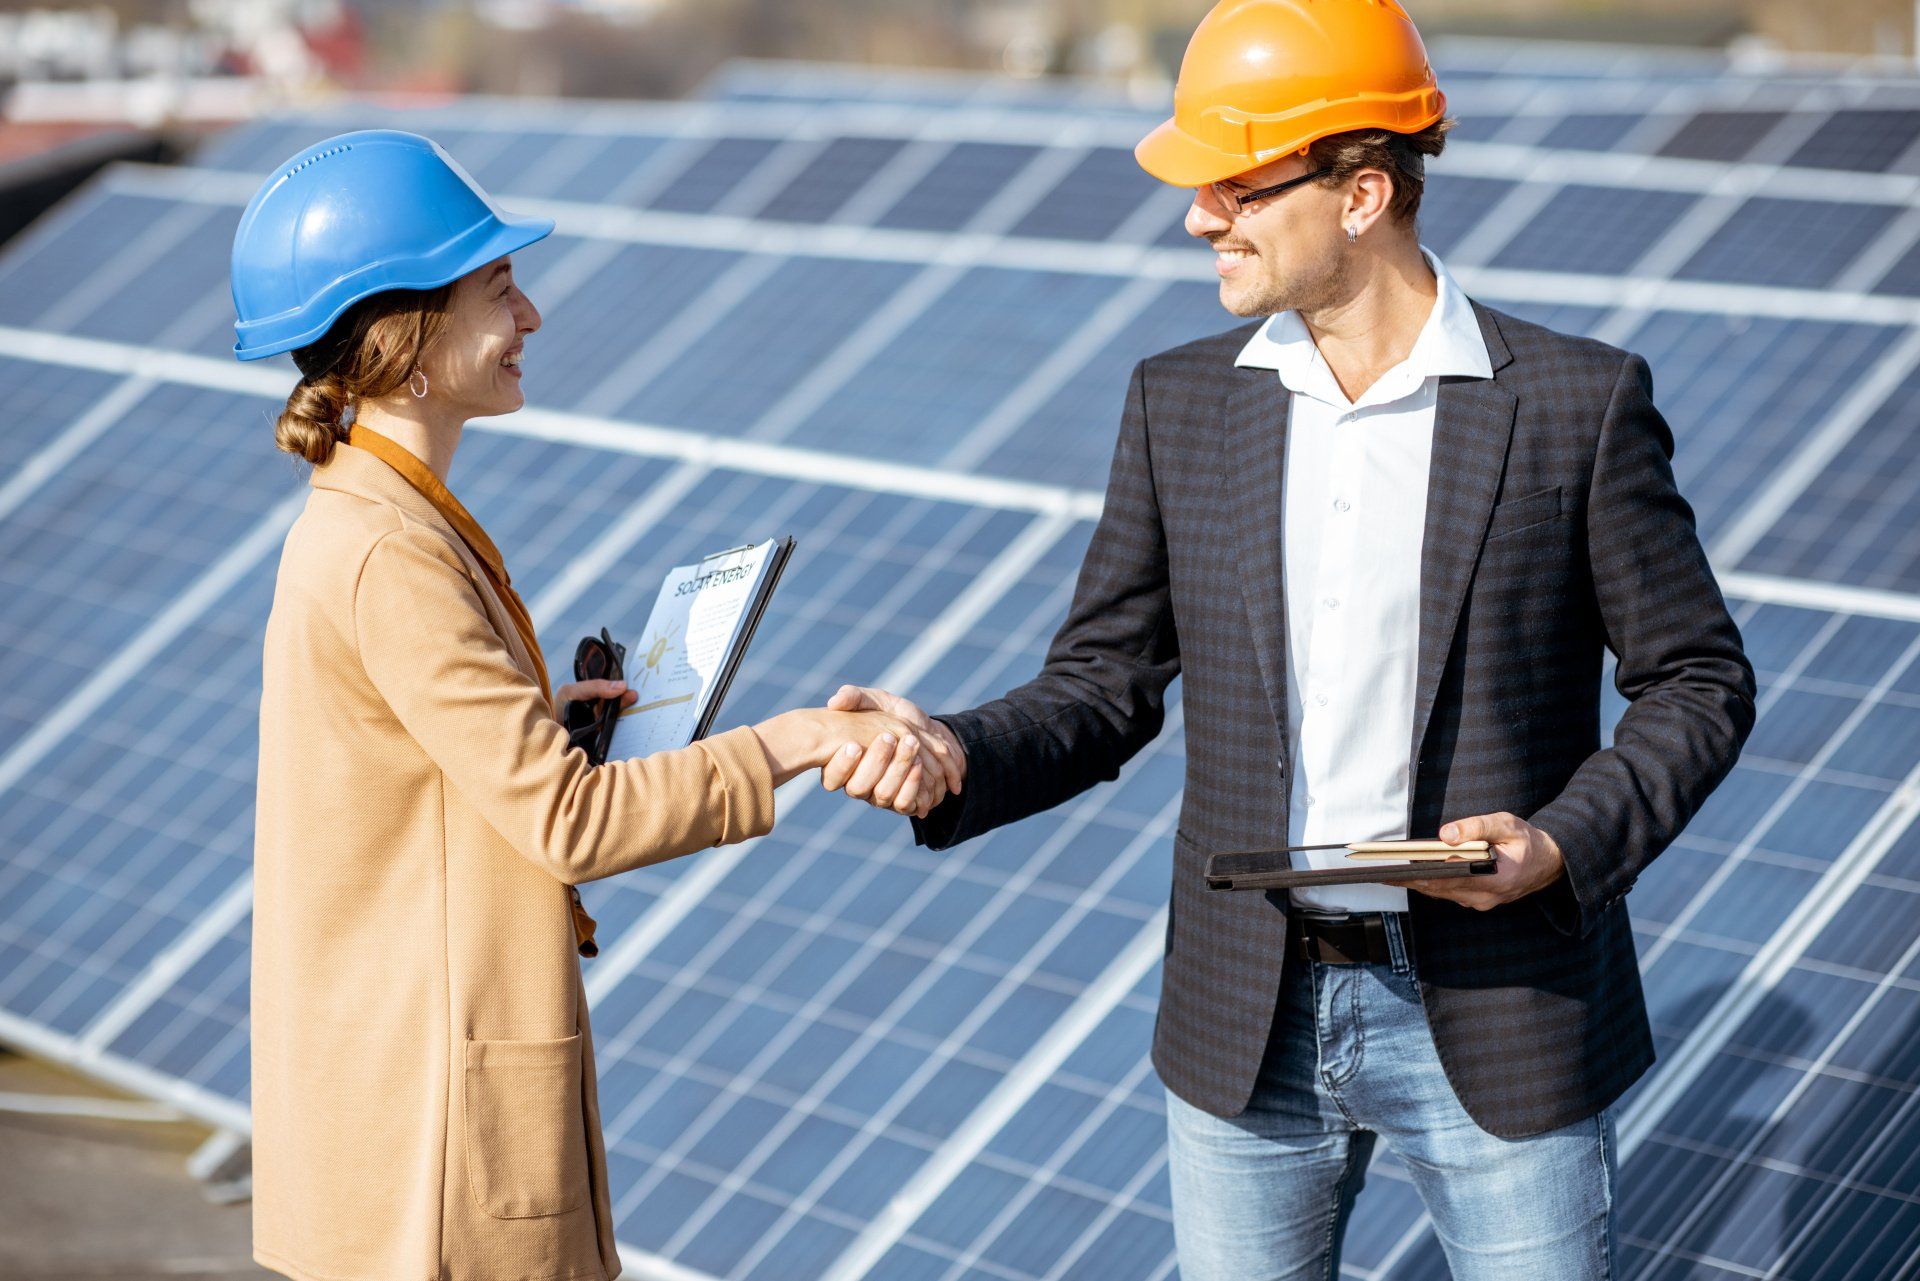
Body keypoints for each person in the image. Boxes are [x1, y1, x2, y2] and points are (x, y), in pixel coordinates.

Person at [822, 1, 1757, 1275]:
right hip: (1244, 1019)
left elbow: (1697, 682)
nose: (1202, 216)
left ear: (1362, 192)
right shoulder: (1183, 404)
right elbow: (1103, 685)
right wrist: (952, 752)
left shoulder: (1574, 406)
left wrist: (1559, 843)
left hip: (1499, 1012)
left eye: (1239, 185)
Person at [238, 130, 941, 1281]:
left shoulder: (375, 520)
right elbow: (574, 826)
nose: (532, 317)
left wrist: (537, 725)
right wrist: (800, 740)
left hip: (403, 1093)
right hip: (434, 1142)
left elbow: (427, 787)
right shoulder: (392, 556)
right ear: (404, 339)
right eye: (500, 286)